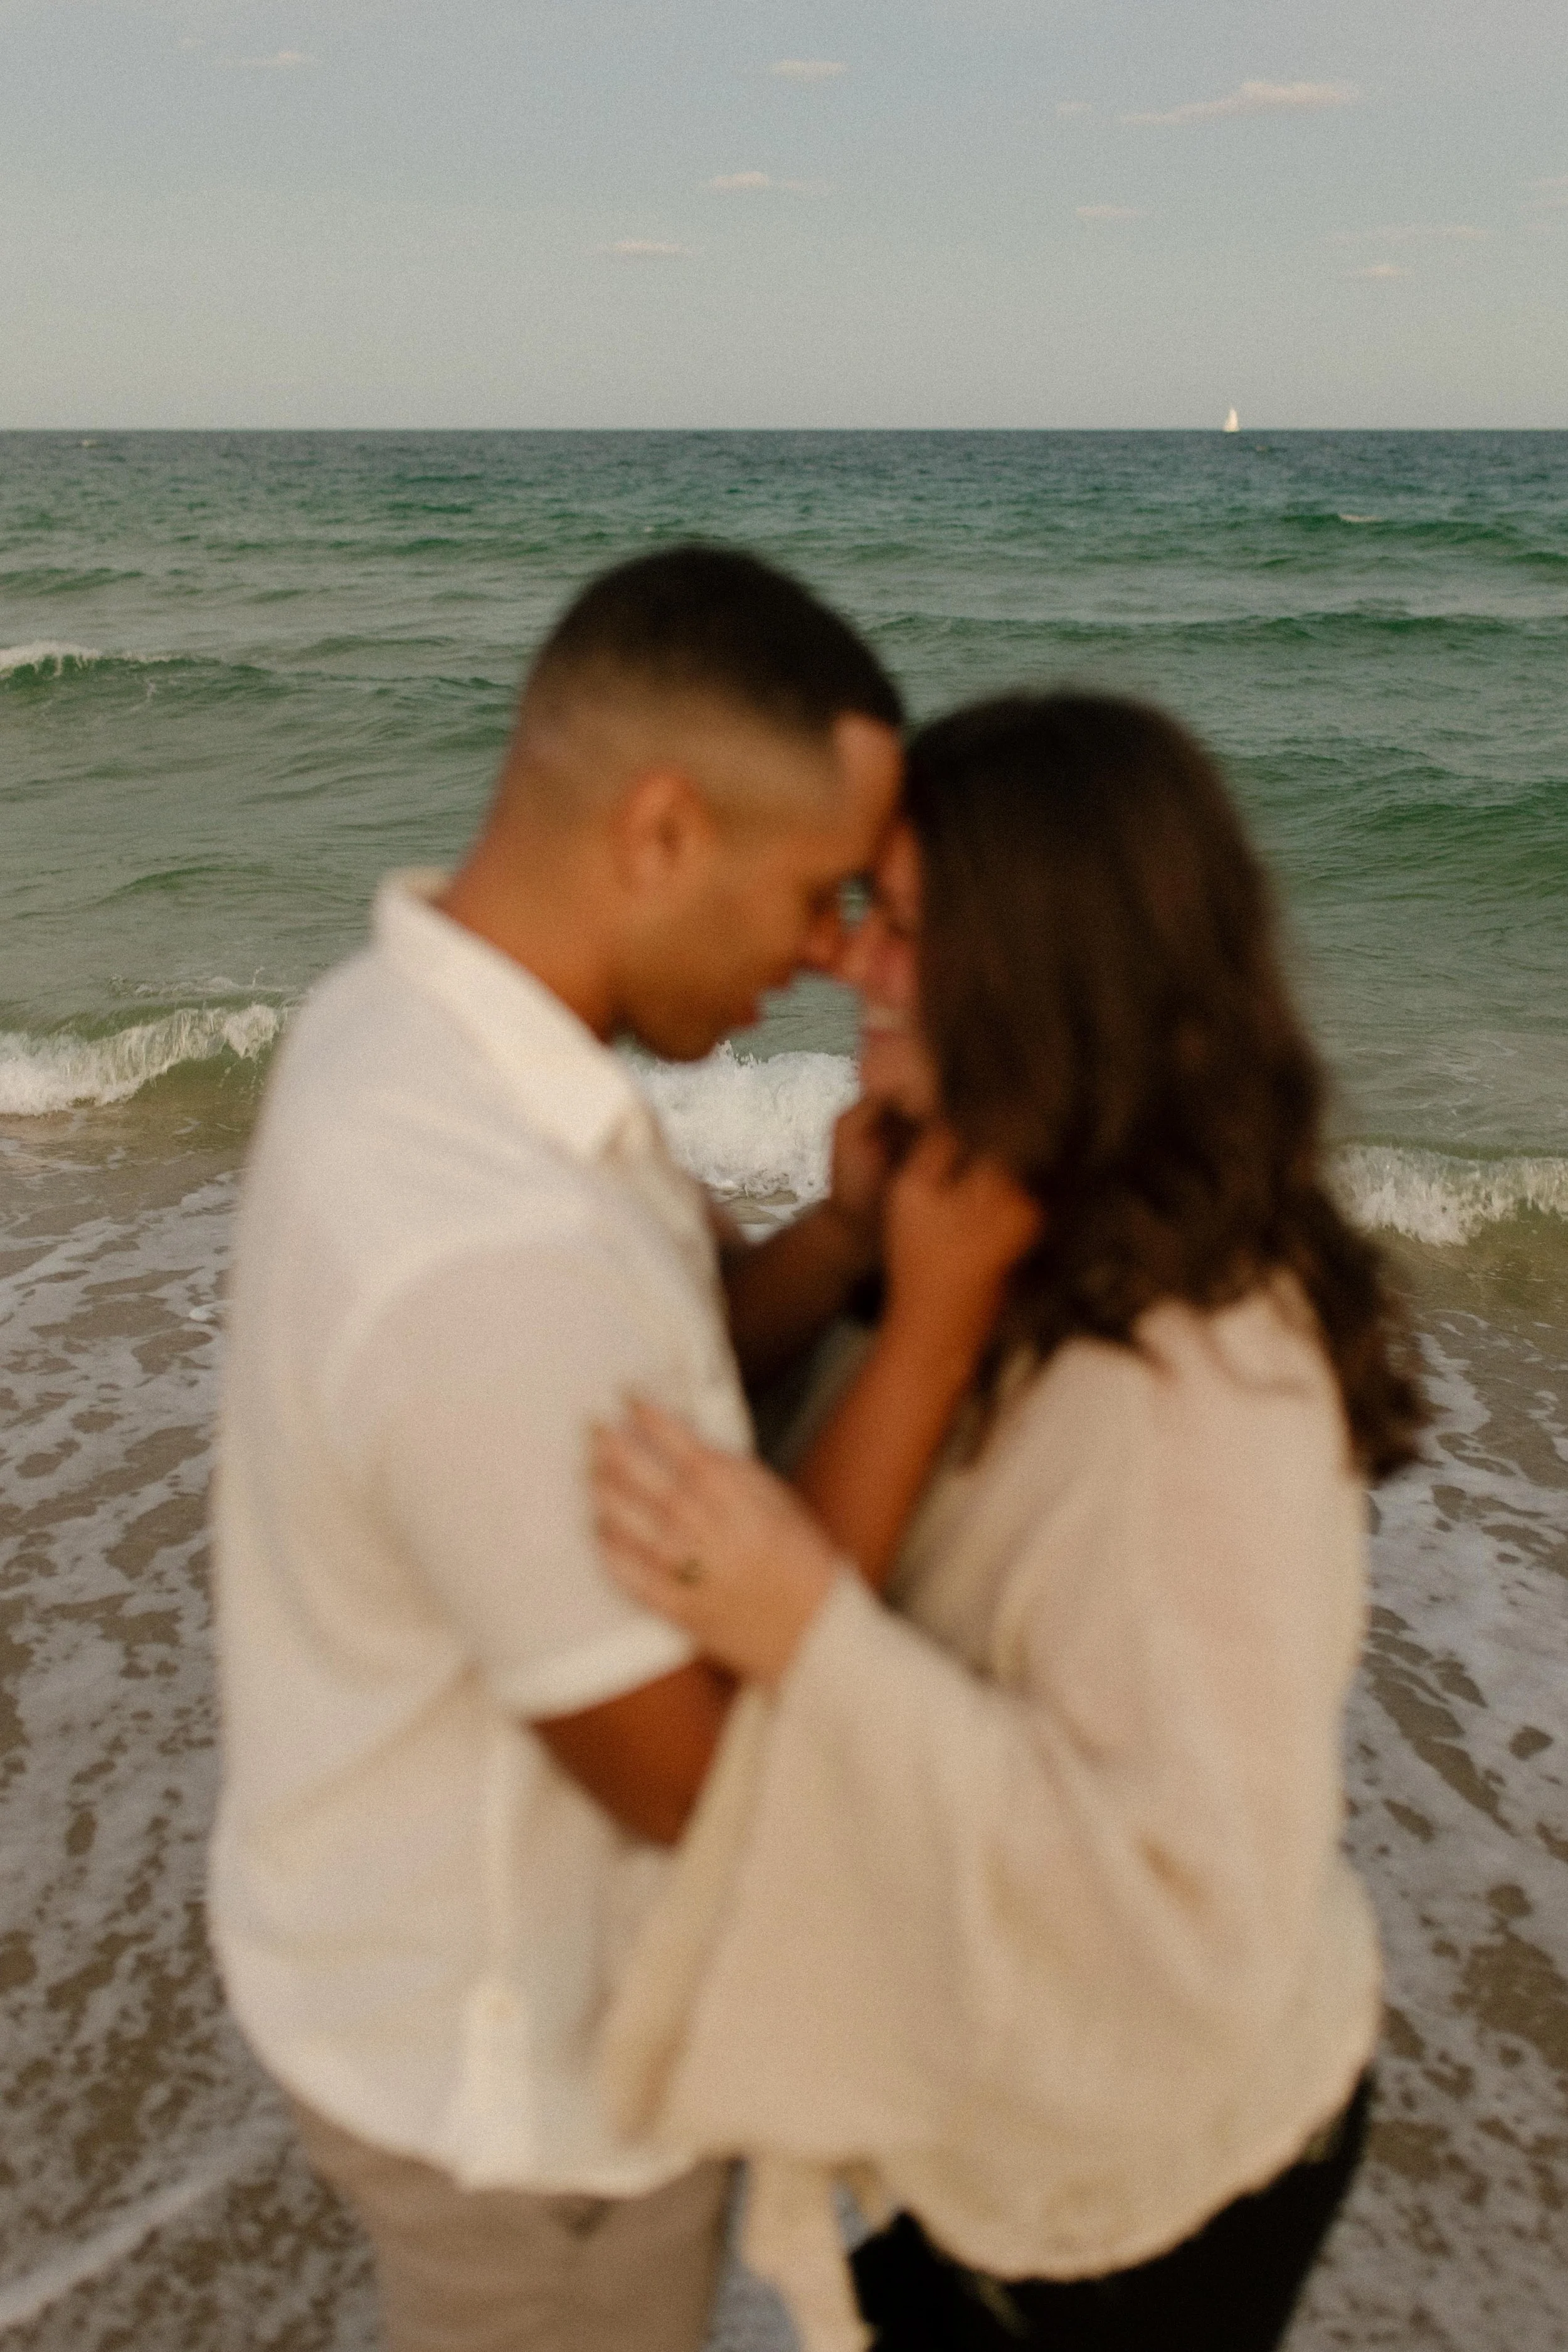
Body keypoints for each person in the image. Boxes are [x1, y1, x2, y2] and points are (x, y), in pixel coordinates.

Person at [590, 694, 1429, 2352]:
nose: (844, 962)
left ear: (1035, 973)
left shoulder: (1203, 1390)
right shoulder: (995, 1211)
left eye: (898, 924)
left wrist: (808, 1637)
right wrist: (842, 1248)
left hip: (1151, 2190)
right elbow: (826, 1471)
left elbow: (1168, 1932)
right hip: (987, 2139)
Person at [207, 544, 907, 2352]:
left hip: (369, 1951)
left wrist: (836, 1246)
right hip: (523, 2102)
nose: (834, 959)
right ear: (664, 829)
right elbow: (705, 1785)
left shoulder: (408, 1021)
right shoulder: (484, 1247)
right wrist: (959, 1306)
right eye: (820, 895)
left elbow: (651, 1374)